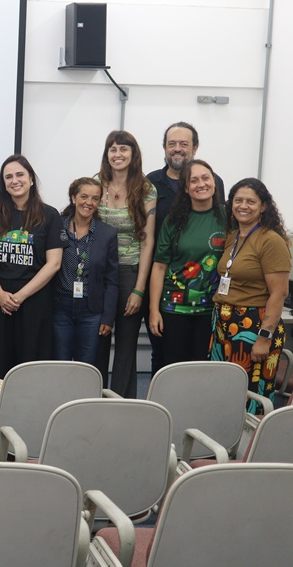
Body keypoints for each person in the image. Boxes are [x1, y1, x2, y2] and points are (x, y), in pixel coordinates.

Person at [145, 122, 224, 373]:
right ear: (185, 187)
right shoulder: (167, 208)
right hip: (172, 305)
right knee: (169, 367)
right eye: (172, 144)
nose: (200, 184)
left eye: (205, 179)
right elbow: (158, 264)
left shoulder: (228, 217)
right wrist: (153, 309)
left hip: (212, 308)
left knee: (204, 369)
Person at [209, 179, 292, 412]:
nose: (243, 206)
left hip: (253, 326)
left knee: (250, 394)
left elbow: (279, 293)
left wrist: (264, 337)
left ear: (263, 206)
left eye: (251, 201)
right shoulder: (233, 236)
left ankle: (249, 447)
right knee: (225, 389)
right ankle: (224, 440)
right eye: (238, 200)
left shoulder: (271, 240)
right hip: (224, 323)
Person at [0, 155, 66, 379]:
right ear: (3, 183)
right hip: (0, 300)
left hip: (34, 299)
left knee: (31, 365)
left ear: (31, 179)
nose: (14, 180)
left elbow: (54, 263)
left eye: (20, 175)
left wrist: (19, 296)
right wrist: (0, 294)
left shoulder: (50, 215)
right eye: (8, 177)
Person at [96, 130, 157, 398]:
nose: (117, 154)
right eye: (112, 149)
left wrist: (139, 289)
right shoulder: (96, 185)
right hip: (98, 274)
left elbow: (147, 241)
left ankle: (122, 404)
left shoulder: (145, 189)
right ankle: (92, 398)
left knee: (125, 345)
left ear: (133, 155)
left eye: (123, 149)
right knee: (97, 339)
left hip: (130, 273)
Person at [52, 177, 119, 366]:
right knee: (60, 363)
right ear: (73, 198)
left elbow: (112, 280)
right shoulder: (57, 227)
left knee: (87, 366)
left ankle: (85, 397)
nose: (88, 202)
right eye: (84, 196)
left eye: (95, 198)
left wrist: (108, 317)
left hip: (92, 310)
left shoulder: (107, 234)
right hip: (60, 307)